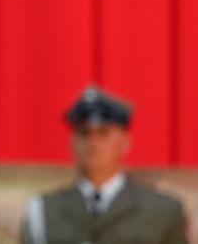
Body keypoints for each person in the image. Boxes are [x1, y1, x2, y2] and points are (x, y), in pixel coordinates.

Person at [21, 85, 188, 244]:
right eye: (84, 133)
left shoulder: (162, 211)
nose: (93, 143)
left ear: (125, 142)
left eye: (103, 133)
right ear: (72, 142)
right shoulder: (43, 211)